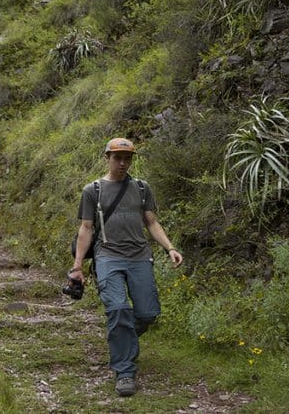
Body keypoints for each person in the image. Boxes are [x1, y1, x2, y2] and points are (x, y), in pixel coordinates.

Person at [67, 137, 183, 398]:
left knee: (147, 313)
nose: (122, 163)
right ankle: (125, 372)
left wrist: (170, 248)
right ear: (107, 157)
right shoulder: (93, 190)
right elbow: (86, 229)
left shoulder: (141, 188)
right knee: (118, 308)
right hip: (108, 256)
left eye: (127, 158)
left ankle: (122, 338)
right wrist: (77, 267)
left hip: (140, 256)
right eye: (117, 158)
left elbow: (152, 222)